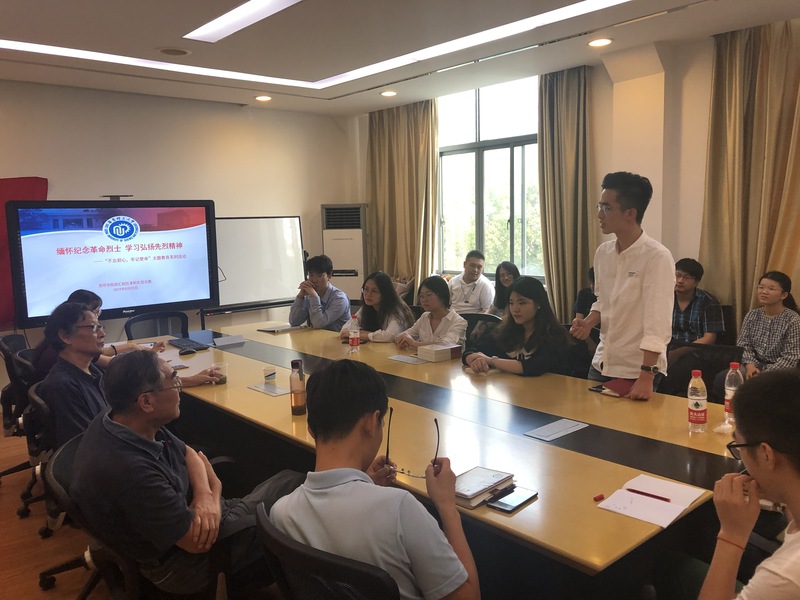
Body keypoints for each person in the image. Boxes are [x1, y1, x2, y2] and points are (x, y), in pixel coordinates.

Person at [71, 350, 304, 596]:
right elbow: (195, 543)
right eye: (174, 381)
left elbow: (189, 453)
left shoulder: (123, 418)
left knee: (293, 480)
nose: (179, 388)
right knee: (298, 516)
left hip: (200, 517)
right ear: (147, 402)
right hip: (185, 565)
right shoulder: (131, 472)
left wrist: (204, 496)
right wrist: (214, 489)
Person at [270, 360, 480, 600]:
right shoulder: (400, 509)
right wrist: (447, 506)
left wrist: (366, 485)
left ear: (310, 429)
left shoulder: (281, 514)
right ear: (372, 422)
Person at [38, 301, 218, 448]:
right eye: (93, 328)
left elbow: (139, 389)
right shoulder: (63, 386)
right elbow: (82, 449)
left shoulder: (92, 370)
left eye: (100, 326)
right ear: (65, 336)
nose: (102, 334)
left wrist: (189, 380)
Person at [570, 171, 674, 401]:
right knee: (590, 421)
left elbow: (658, 322)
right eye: (600, 206)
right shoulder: (603, 253)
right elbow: (604, 301)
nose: (599, 214)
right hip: (603, 361)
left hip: (637, 369)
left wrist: (646, 376)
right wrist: (589, 322)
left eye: (607, 208)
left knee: (630, 425)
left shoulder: (657, 257)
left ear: (630, 213)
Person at [697, 368, 800, 600]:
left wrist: (731, 534)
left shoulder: (785, 575)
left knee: (672, 567)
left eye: (739, 447)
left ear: (766, 454)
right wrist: (779, 490)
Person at [31, 289, 165, 380]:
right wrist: (148, 358)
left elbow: (104, 354)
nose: (102, 333)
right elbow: (113, 364)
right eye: (93, 326)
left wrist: (133, 347)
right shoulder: (66, 374)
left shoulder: (69, 350)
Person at [463, 277, 571, 377]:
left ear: (538, 304)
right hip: (510, 389)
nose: (515, 309)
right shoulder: (504, 330)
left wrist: (492, 361)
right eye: (511, 303)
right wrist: (472, 359)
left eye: (522, 303)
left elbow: (533, 367)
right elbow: (474, 350)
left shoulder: (554, 335)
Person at [659, 258, 725, 396]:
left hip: (697, 353)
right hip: (667, 348)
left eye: (687, 278)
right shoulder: (664, 297)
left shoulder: (708, 301)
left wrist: (679, 351)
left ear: (697, 282)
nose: (680, 281)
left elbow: (709, 338)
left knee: (672, 375)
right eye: (677, 275)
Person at [340, 271, 414, 342]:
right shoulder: (367, 307)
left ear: (385, 293)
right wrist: (356, 332)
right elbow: (346, 328)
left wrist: (361, 334)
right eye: (366, 289)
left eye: (374, 291)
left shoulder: (397, 310)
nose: (368, 294)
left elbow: (389, 336)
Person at [396, 276, 467, 349]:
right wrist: (403, 339)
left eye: (428, 295)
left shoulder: (459, 322)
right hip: (422, 356)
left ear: (442, 296)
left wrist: (414, 343)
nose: (424, 300)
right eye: (421, 296)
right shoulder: (424, 317)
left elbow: (445, 346)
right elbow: (403, 335)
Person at [288, 254, 351, 332]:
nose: (314, 280)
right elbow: (294, 322)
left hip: (338, 338)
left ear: (329, 276)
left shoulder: (340, 299)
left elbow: (318, 324)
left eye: (319, 276)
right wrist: (300, 296)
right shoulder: (309, 296)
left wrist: (314, 297)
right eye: (311, 275)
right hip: (317, 338)